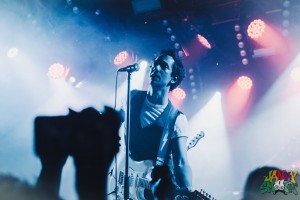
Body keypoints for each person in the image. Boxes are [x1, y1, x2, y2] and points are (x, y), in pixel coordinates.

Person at [119, 48, 193, 199]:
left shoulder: (177, 119)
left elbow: (181, 163)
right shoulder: (131, 97)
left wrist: (188, 190)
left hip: (150, 189)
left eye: (164, 66)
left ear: (173, 78)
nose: (156, 68)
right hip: (120, 175)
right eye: (155, 64)